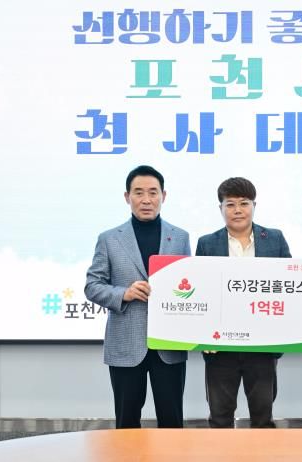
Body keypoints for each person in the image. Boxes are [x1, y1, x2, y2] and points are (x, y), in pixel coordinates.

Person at [85, 165, 191, 428]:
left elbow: (191, 286)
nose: (146, 199)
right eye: (139, 192)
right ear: (127, 197)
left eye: (153, 192)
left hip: (169, 344)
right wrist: (124, 293)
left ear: (163, 196)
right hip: (126, 343)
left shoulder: (180, 237)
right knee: (127, 422)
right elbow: (92, 285)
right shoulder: (109, 239)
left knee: (172, 421)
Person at [195, 177, 292, 428]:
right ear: (220, 208)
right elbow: (201, 292)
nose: (237, 210)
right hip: (220, 348)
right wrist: (204, 337)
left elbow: (289, 287)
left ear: (254, 206)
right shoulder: (207, 243)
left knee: (263, 418)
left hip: (262, 346)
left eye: (244, 203)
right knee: (219, 418)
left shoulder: (274, 239)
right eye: (230, 204)